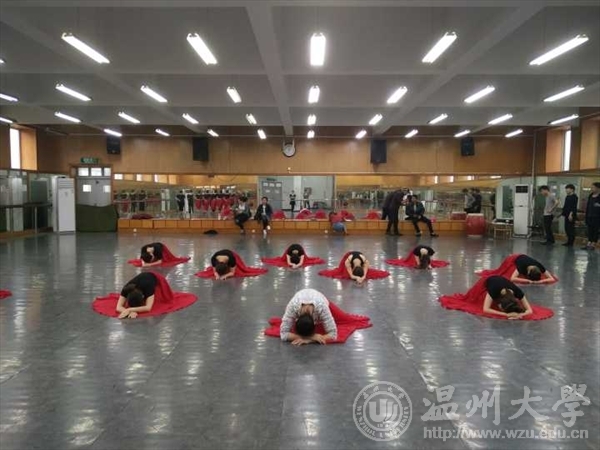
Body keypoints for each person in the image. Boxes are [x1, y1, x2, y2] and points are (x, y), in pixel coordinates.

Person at [439, 275, 554, 321]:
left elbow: (530, 310)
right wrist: (506, 315)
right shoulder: (493, 290)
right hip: (486, 281)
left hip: (501, 281)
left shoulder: (518, 292)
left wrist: (519, 315)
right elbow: (485, 309)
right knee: (471, 300)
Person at [582, 182, 600, 251]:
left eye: (593, 187)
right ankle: (589, 243)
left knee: (595, 231)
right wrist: (586, 215)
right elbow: (588, 206)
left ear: (598, 188)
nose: (592, 189)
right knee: (590, 230)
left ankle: (593, 244)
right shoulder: (590, 195)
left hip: (597, 217)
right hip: (589, 215)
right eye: (591, 187)